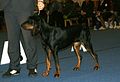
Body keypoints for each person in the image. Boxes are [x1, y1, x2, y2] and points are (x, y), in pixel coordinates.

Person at [0, 0, 44, 77]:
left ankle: (32, 66)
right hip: (8, 6)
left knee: (28, 38)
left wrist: (40, 0)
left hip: (25, 5)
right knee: (12, 39)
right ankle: (14, 67)